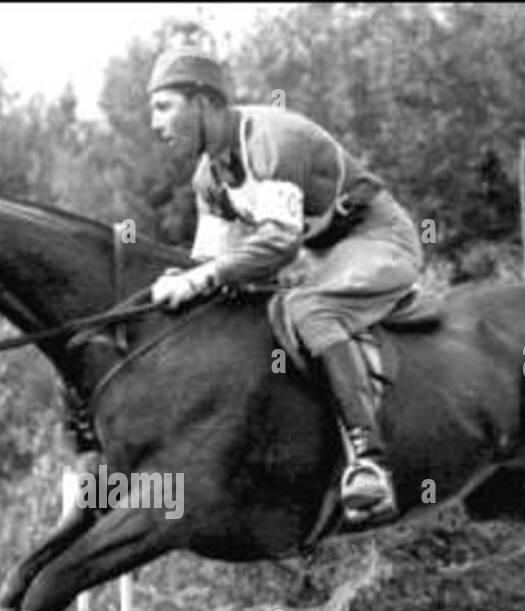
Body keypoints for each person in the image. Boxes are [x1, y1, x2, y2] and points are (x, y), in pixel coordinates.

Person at [146, 45, 423, 523]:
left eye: (164, 106)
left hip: (376, 237)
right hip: (323, 257)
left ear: (204, 101)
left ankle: (369, 464)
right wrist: (188, 279)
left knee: (310, 310)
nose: (155, 123)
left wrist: (200, 277)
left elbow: (277, 245)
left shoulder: (271, 138)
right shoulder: (208, 179)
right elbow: (214, 265)